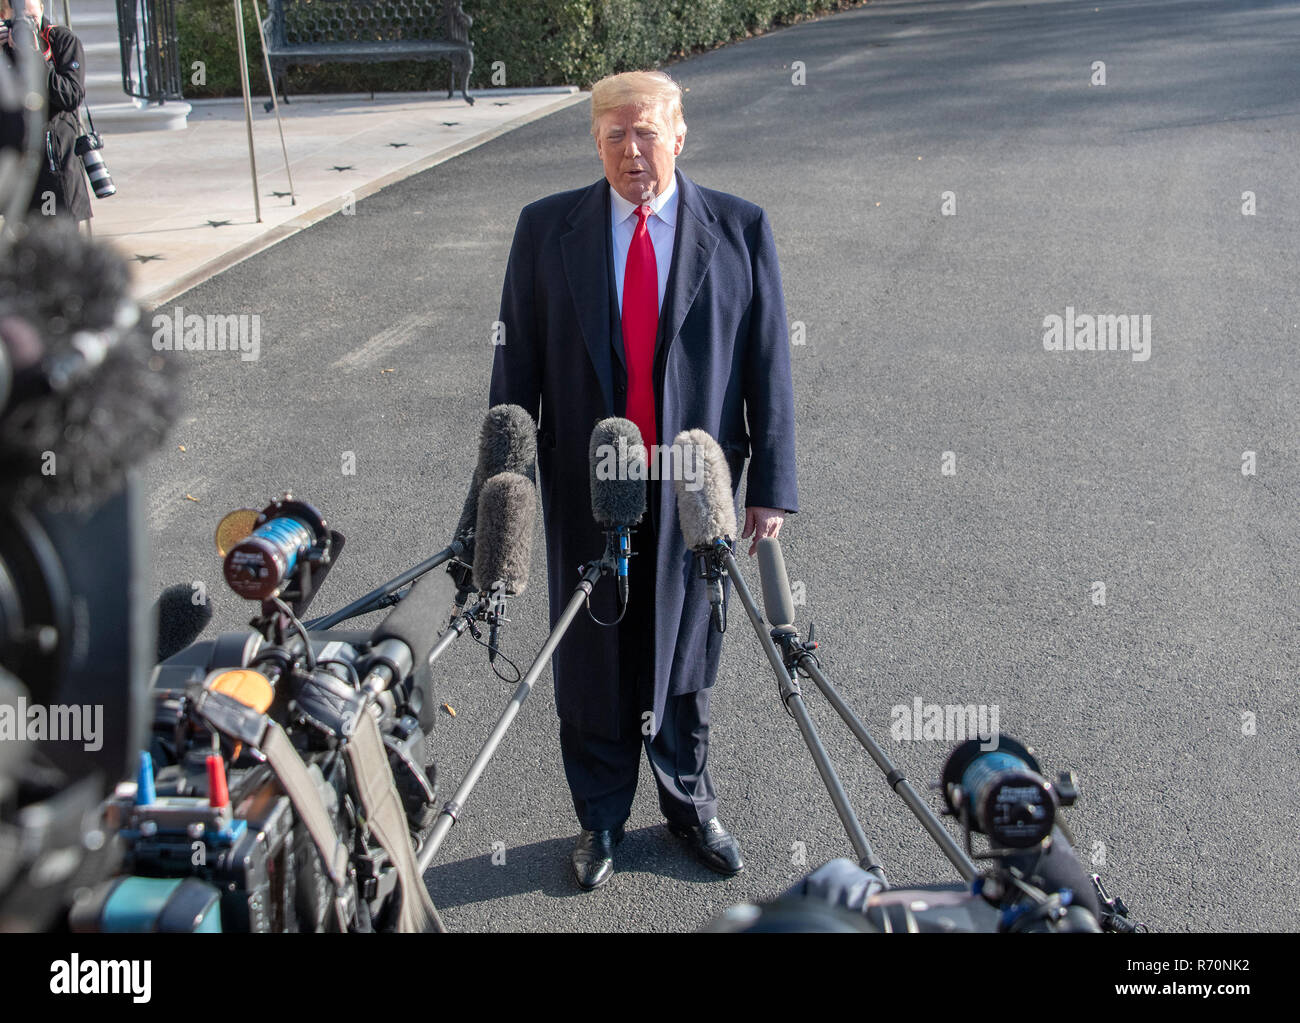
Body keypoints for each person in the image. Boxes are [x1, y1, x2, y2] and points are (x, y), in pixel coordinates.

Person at [489, 70, 798, 890]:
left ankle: (689, 802)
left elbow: (769, 364)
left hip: (695, 487)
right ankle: (600, 817)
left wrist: (769, 483)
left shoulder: (739, 229)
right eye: (615, 134)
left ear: (680, 135)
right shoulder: (545, 229)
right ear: (595, 141)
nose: (633, 150)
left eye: (648, 133)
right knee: (591, 657)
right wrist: (505, 496)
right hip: (586, 480)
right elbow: (514, 367)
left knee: (691, 648)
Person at [0, 0, 91, 225]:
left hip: (56, 170)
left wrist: (34, 57)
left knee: (64, 252)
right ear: (4, 15)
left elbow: (71, 96)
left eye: (32, 17)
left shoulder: (61, 41)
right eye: (22, 19)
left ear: (42, 8)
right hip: (16, 176)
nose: (29, 24)